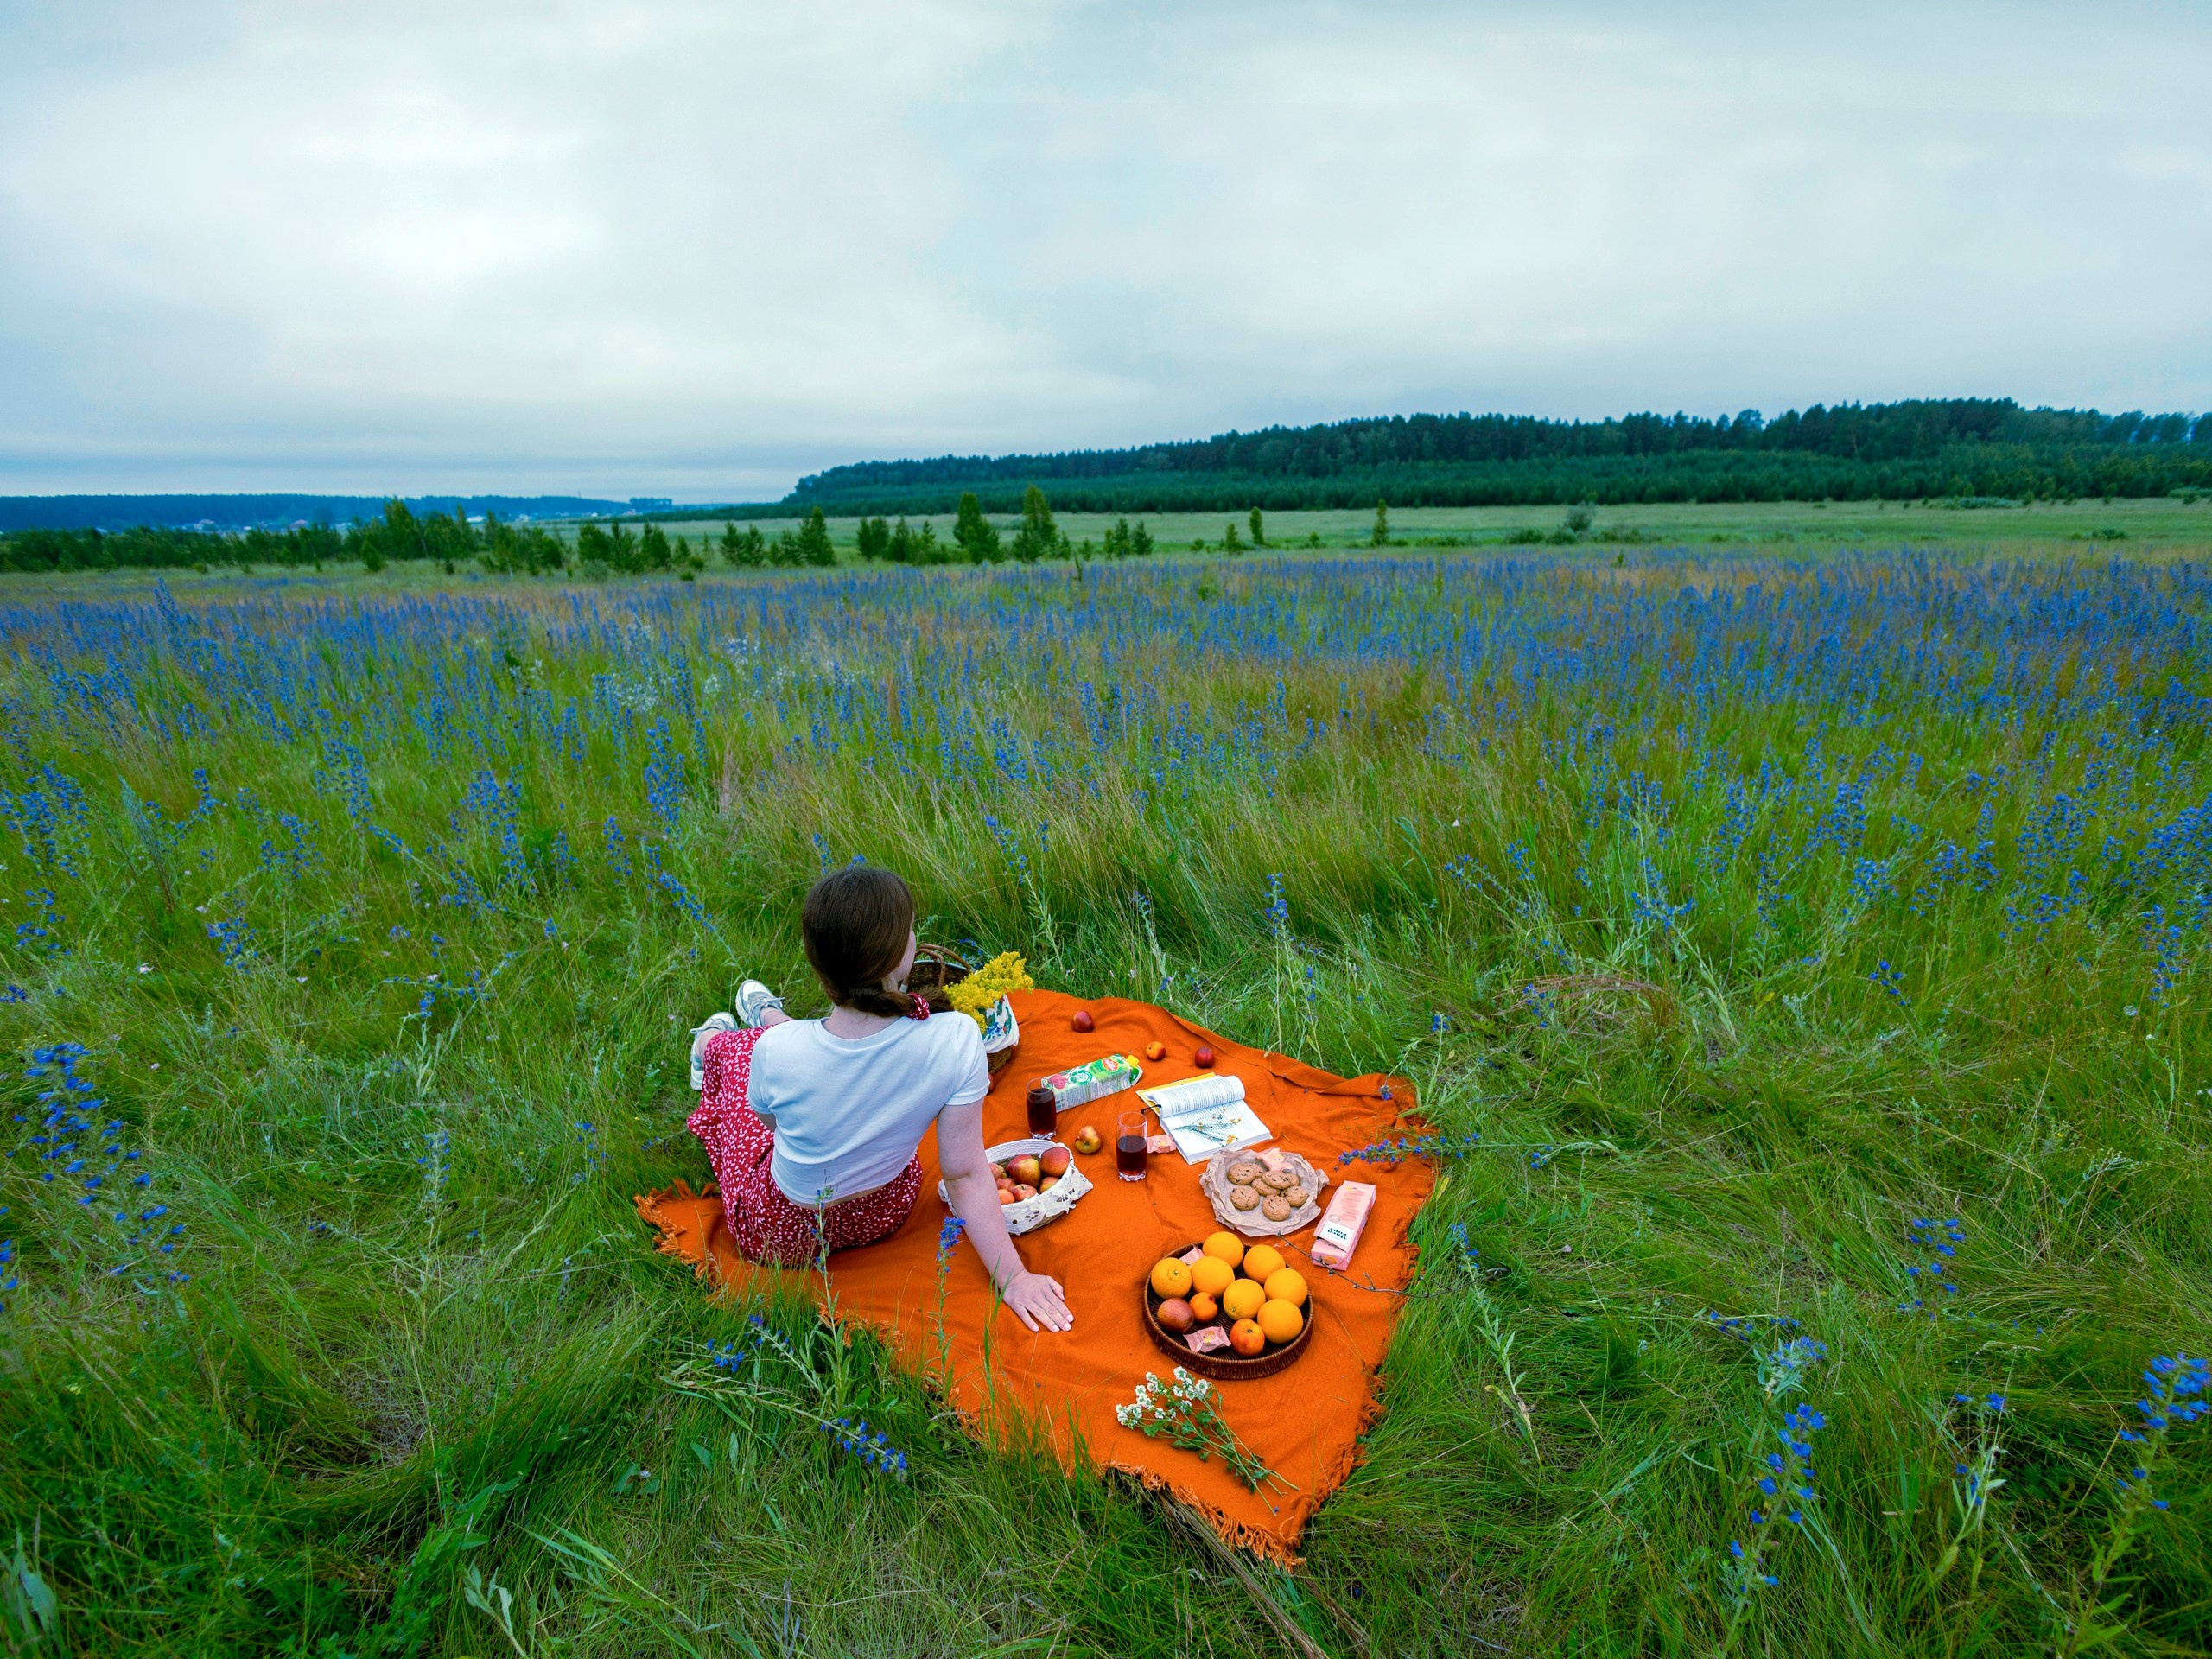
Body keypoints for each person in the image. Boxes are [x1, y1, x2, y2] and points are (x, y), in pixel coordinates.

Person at [686, 865, 1074, 1333]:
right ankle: (753, 1020)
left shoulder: (778, 1053)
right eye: (910, 928)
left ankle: (713, 1041)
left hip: (779, 1235)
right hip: (884, 1210)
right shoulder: (955, 1038)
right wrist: (1013, 1278)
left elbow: (771, 1128)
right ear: (898, 957)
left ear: (819, 964)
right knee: (769, 1050)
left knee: (742, 1054)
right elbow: (967, 1171)